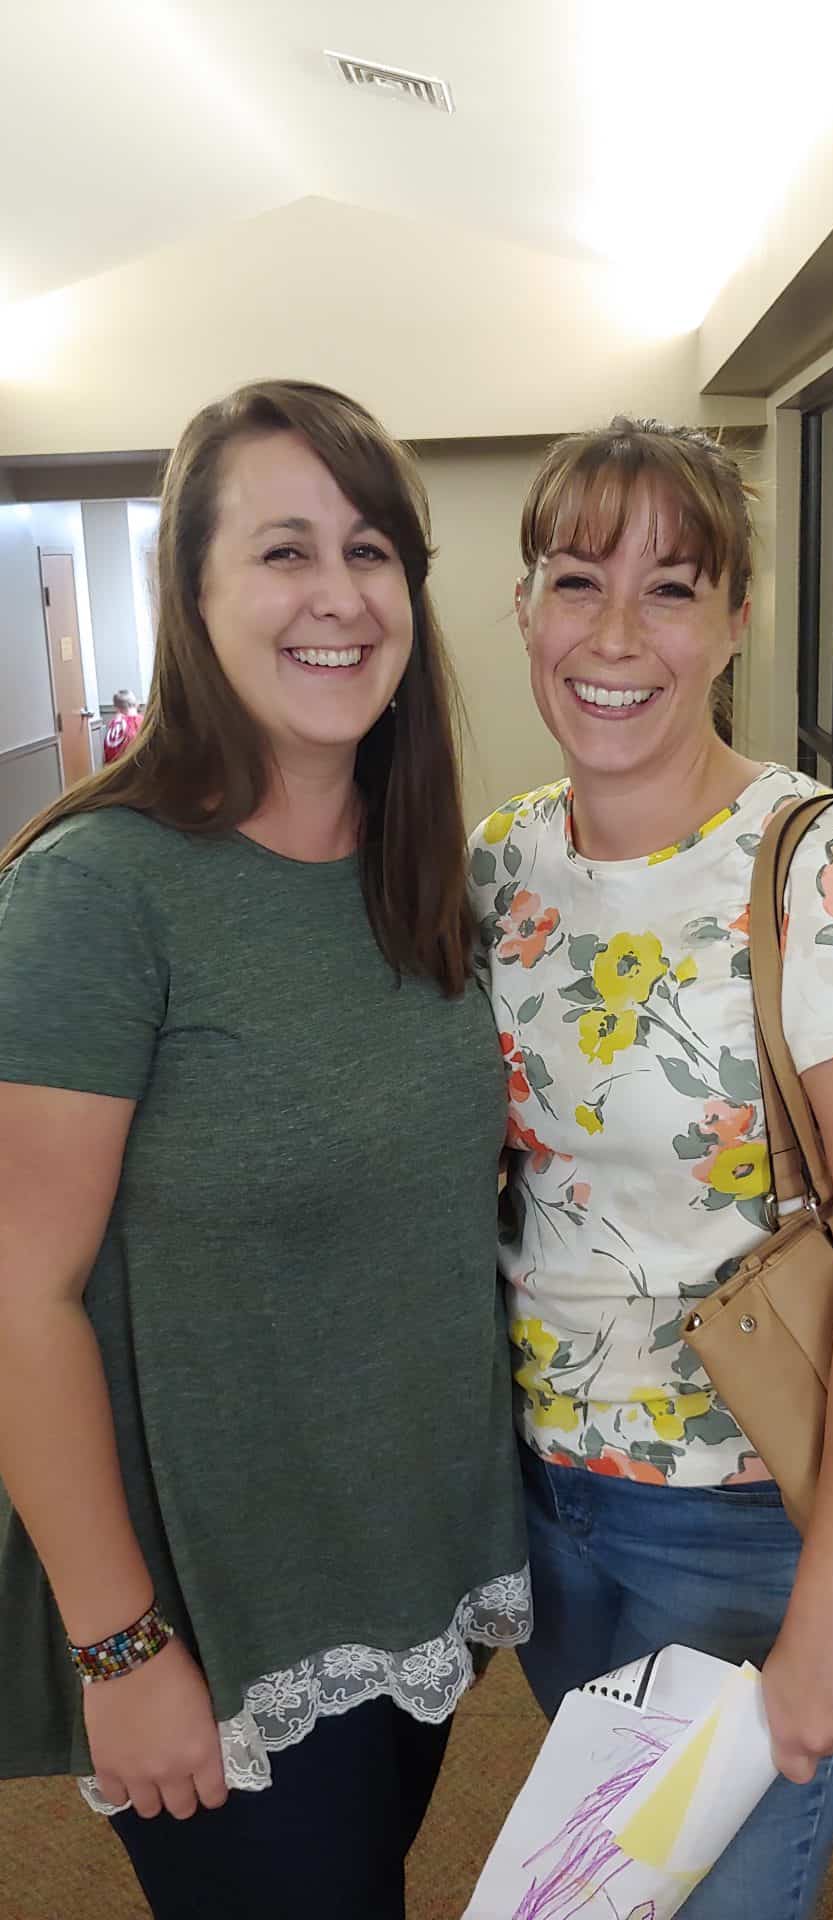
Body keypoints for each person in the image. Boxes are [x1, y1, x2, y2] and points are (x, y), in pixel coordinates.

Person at [0, 379, 529, 1920]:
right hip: (212, 1623)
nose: (337, 597)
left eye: (370, 553)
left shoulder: (428, 870)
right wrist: (118, 1643)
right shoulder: (100, 893)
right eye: (283, 551)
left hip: (408, 1578)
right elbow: (20, 1297)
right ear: (193, 594)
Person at [468, 417, 833, 1920]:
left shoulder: (822, 863)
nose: (610, 634)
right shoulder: (496, 863)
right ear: (522, 608)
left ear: (733, 620)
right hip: (543, 1502)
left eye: (669, 589)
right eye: (574, 579)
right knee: (610, 1891)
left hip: (749, 1512)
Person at [102, 688, 142, 762]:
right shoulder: (142, 722)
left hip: (114, 768)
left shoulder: (114, 724)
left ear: (117, 709)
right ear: (137, 704)